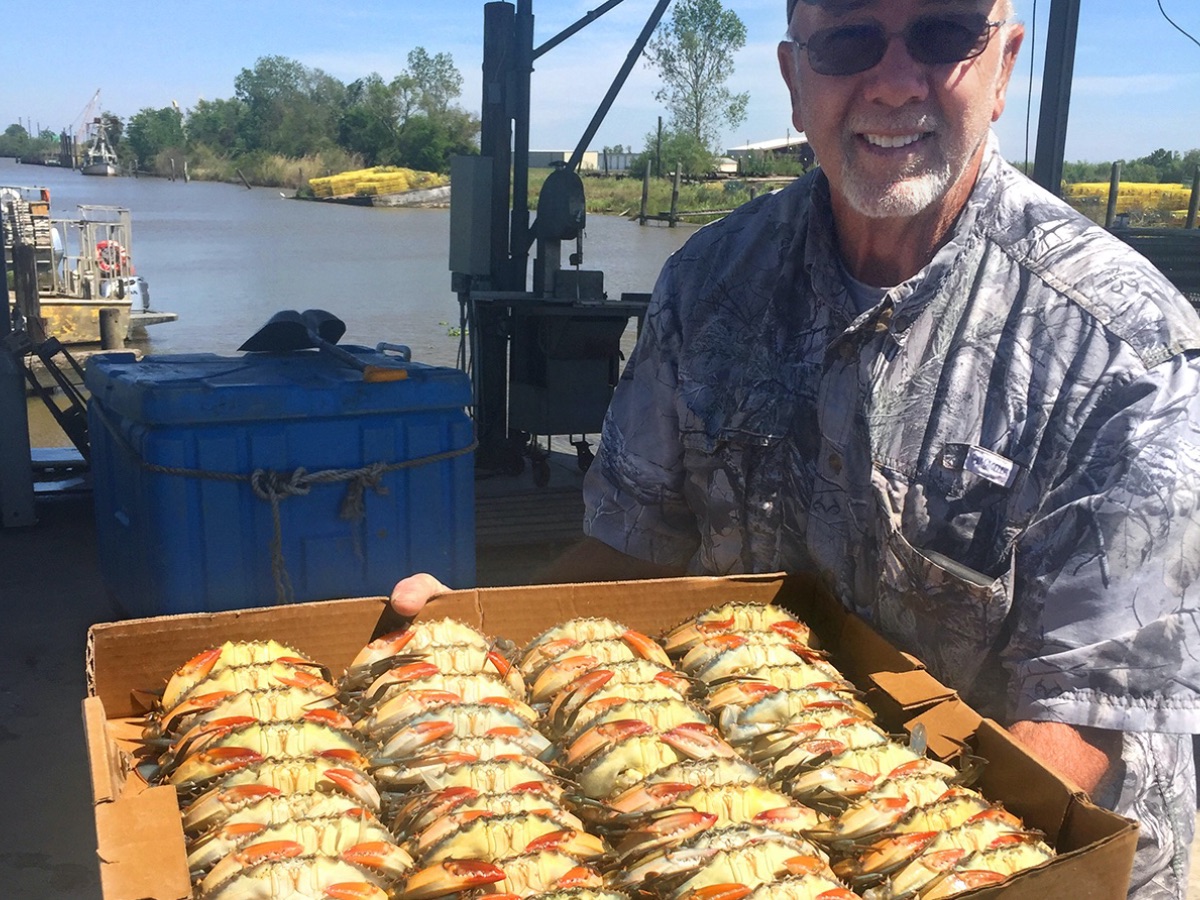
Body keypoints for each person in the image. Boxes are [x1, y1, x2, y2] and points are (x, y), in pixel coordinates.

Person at [394, 1, 1200, 895]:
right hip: (738, 809)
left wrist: (902, 860)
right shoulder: (709, 283)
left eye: (942, 36)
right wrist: (479, 645)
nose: (894, 82)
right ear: (794, 79)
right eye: (851, 39)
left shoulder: (1128, 352)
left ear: (1004, 66)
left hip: (1017, 851)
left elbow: (1084, 721)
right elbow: (628, 551)